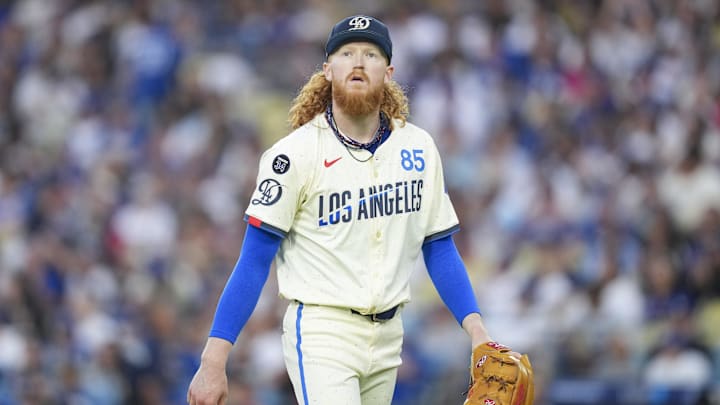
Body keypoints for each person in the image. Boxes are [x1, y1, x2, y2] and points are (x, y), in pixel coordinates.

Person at [187, 14, 512, 405]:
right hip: (324, 331)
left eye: (371, 54)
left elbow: (438, 246)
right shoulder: (293, 155)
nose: (358, 62)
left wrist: (477, 330)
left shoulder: (419, 147)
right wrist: (213, 359)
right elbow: (254, 261)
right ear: (327, 70)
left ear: (388, 72)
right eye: (347, 53)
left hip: (390, 336)